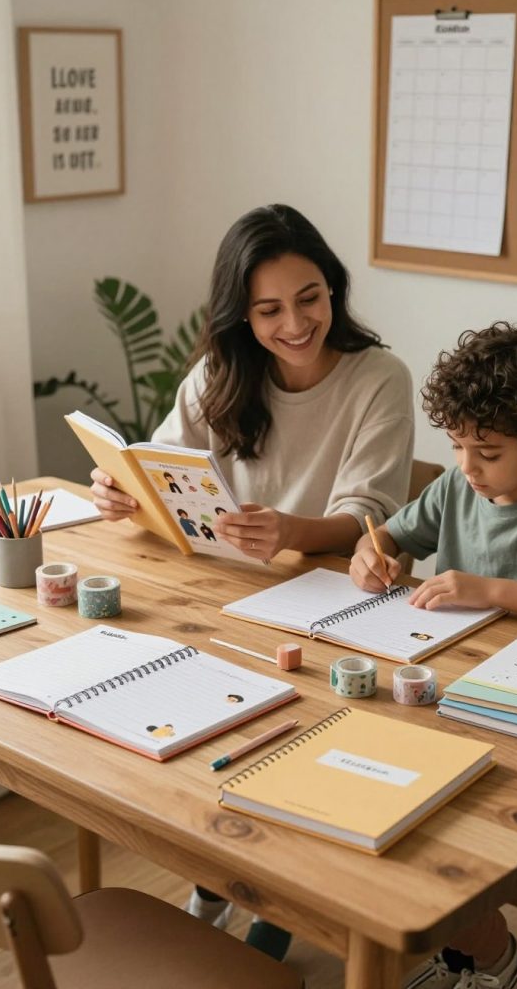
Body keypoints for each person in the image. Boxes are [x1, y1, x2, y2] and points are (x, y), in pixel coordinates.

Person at [90, 202, 415, 957]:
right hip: (223, 602)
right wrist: (122, 492)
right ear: (241, 315)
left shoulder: (378, 378)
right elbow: (162, 473)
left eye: (310, 298)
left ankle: (269, 903)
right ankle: (220, 880)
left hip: (336, 613)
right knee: (197, 739)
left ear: (333, 289)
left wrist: (290, 532)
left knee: (283, 744)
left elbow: (370, 518)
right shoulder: (219, 373)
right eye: (268, 310)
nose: (295, 323)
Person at [350, 321, 517, 989]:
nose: (467, 467)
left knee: (455, 835)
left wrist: (486, 590)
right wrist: (374, 556)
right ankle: (452, 948)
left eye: (488, 450)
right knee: (390, 807)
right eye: (455, 446)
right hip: (444, 690)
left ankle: (488, 955)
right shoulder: (454, 490)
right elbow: (385, 538)